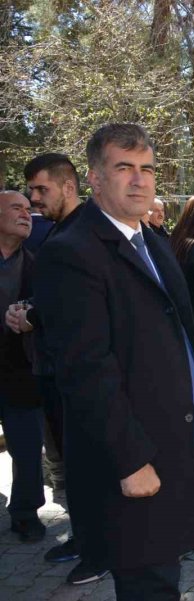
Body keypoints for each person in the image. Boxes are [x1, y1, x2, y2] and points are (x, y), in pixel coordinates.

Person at [32, 123, 194, 600]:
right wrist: (131, 459)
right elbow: (85, 371)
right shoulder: (71, 253)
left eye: (147, 169)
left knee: (164, 576)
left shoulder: (154, 242)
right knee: (148, 583)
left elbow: (186, 333)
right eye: (124, 169)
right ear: (94, 179)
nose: (139, 181)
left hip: (172, 443)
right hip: (132, 458)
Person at [12, 152, 106, 582]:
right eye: (30, 190)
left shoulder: (85, 233)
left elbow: (78, 306)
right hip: (53, 370)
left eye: (40, 189)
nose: (33, 198)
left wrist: (31, 317)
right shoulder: (60, 232)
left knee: (88, 465)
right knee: (71, 462)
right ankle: (86, 538)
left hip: (78, 373)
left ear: (69, 187)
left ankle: (99, 549)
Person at [0, 191, 46, 543]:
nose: (26, 214)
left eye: (29, 209)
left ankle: (26, 514)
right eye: (17, 208)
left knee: (28, 447)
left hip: (19, 371)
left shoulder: (37, 263)